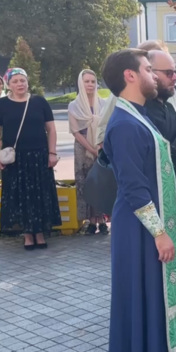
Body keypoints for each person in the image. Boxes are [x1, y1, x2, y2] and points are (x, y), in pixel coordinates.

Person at [102, 48, 176, 352]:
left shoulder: (136, 115)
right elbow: (134, 186)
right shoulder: (123, 123)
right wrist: (160, 232)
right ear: (130, 76)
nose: (156, 76)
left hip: (143, 226)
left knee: (147, 298)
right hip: (138, 228)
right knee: (140, 299)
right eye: (149, 70)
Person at [144, 50, 176, 329]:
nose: (175, 78)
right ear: (150, 73)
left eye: (175, 72)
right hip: (157, 197)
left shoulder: (169, 108)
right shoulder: (142, 111)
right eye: (169, 73)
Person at [0, 68, 61, 250]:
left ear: (27, 82)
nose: (20, 84)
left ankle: (39, 232)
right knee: (21, 196)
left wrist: (52, 153)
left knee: (39, 194)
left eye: (22, 80)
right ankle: (27, 234)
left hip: (39, 156)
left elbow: (51, 129)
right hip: (15, 159)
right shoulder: (0, 105)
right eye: (15, 81)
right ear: (9, 85)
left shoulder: (39, 102)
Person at [97, 40, 176, 146]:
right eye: (147, 68)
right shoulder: (123, 97)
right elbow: (103, 136)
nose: (175, 77)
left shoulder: (170, 93)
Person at [69, 69, 108, 235]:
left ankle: (103, 220)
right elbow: (76, 132)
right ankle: (91, 221)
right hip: (83, 148)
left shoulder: (104, 104)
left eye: (93, 81)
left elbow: (107, 126)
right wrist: (91, 149)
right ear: (81, 84)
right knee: (87, 183)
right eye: (87, 81)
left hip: (102, 147)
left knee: (102, 183)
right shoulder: (74, 106)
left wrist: (100, 147)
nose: (90, 85)